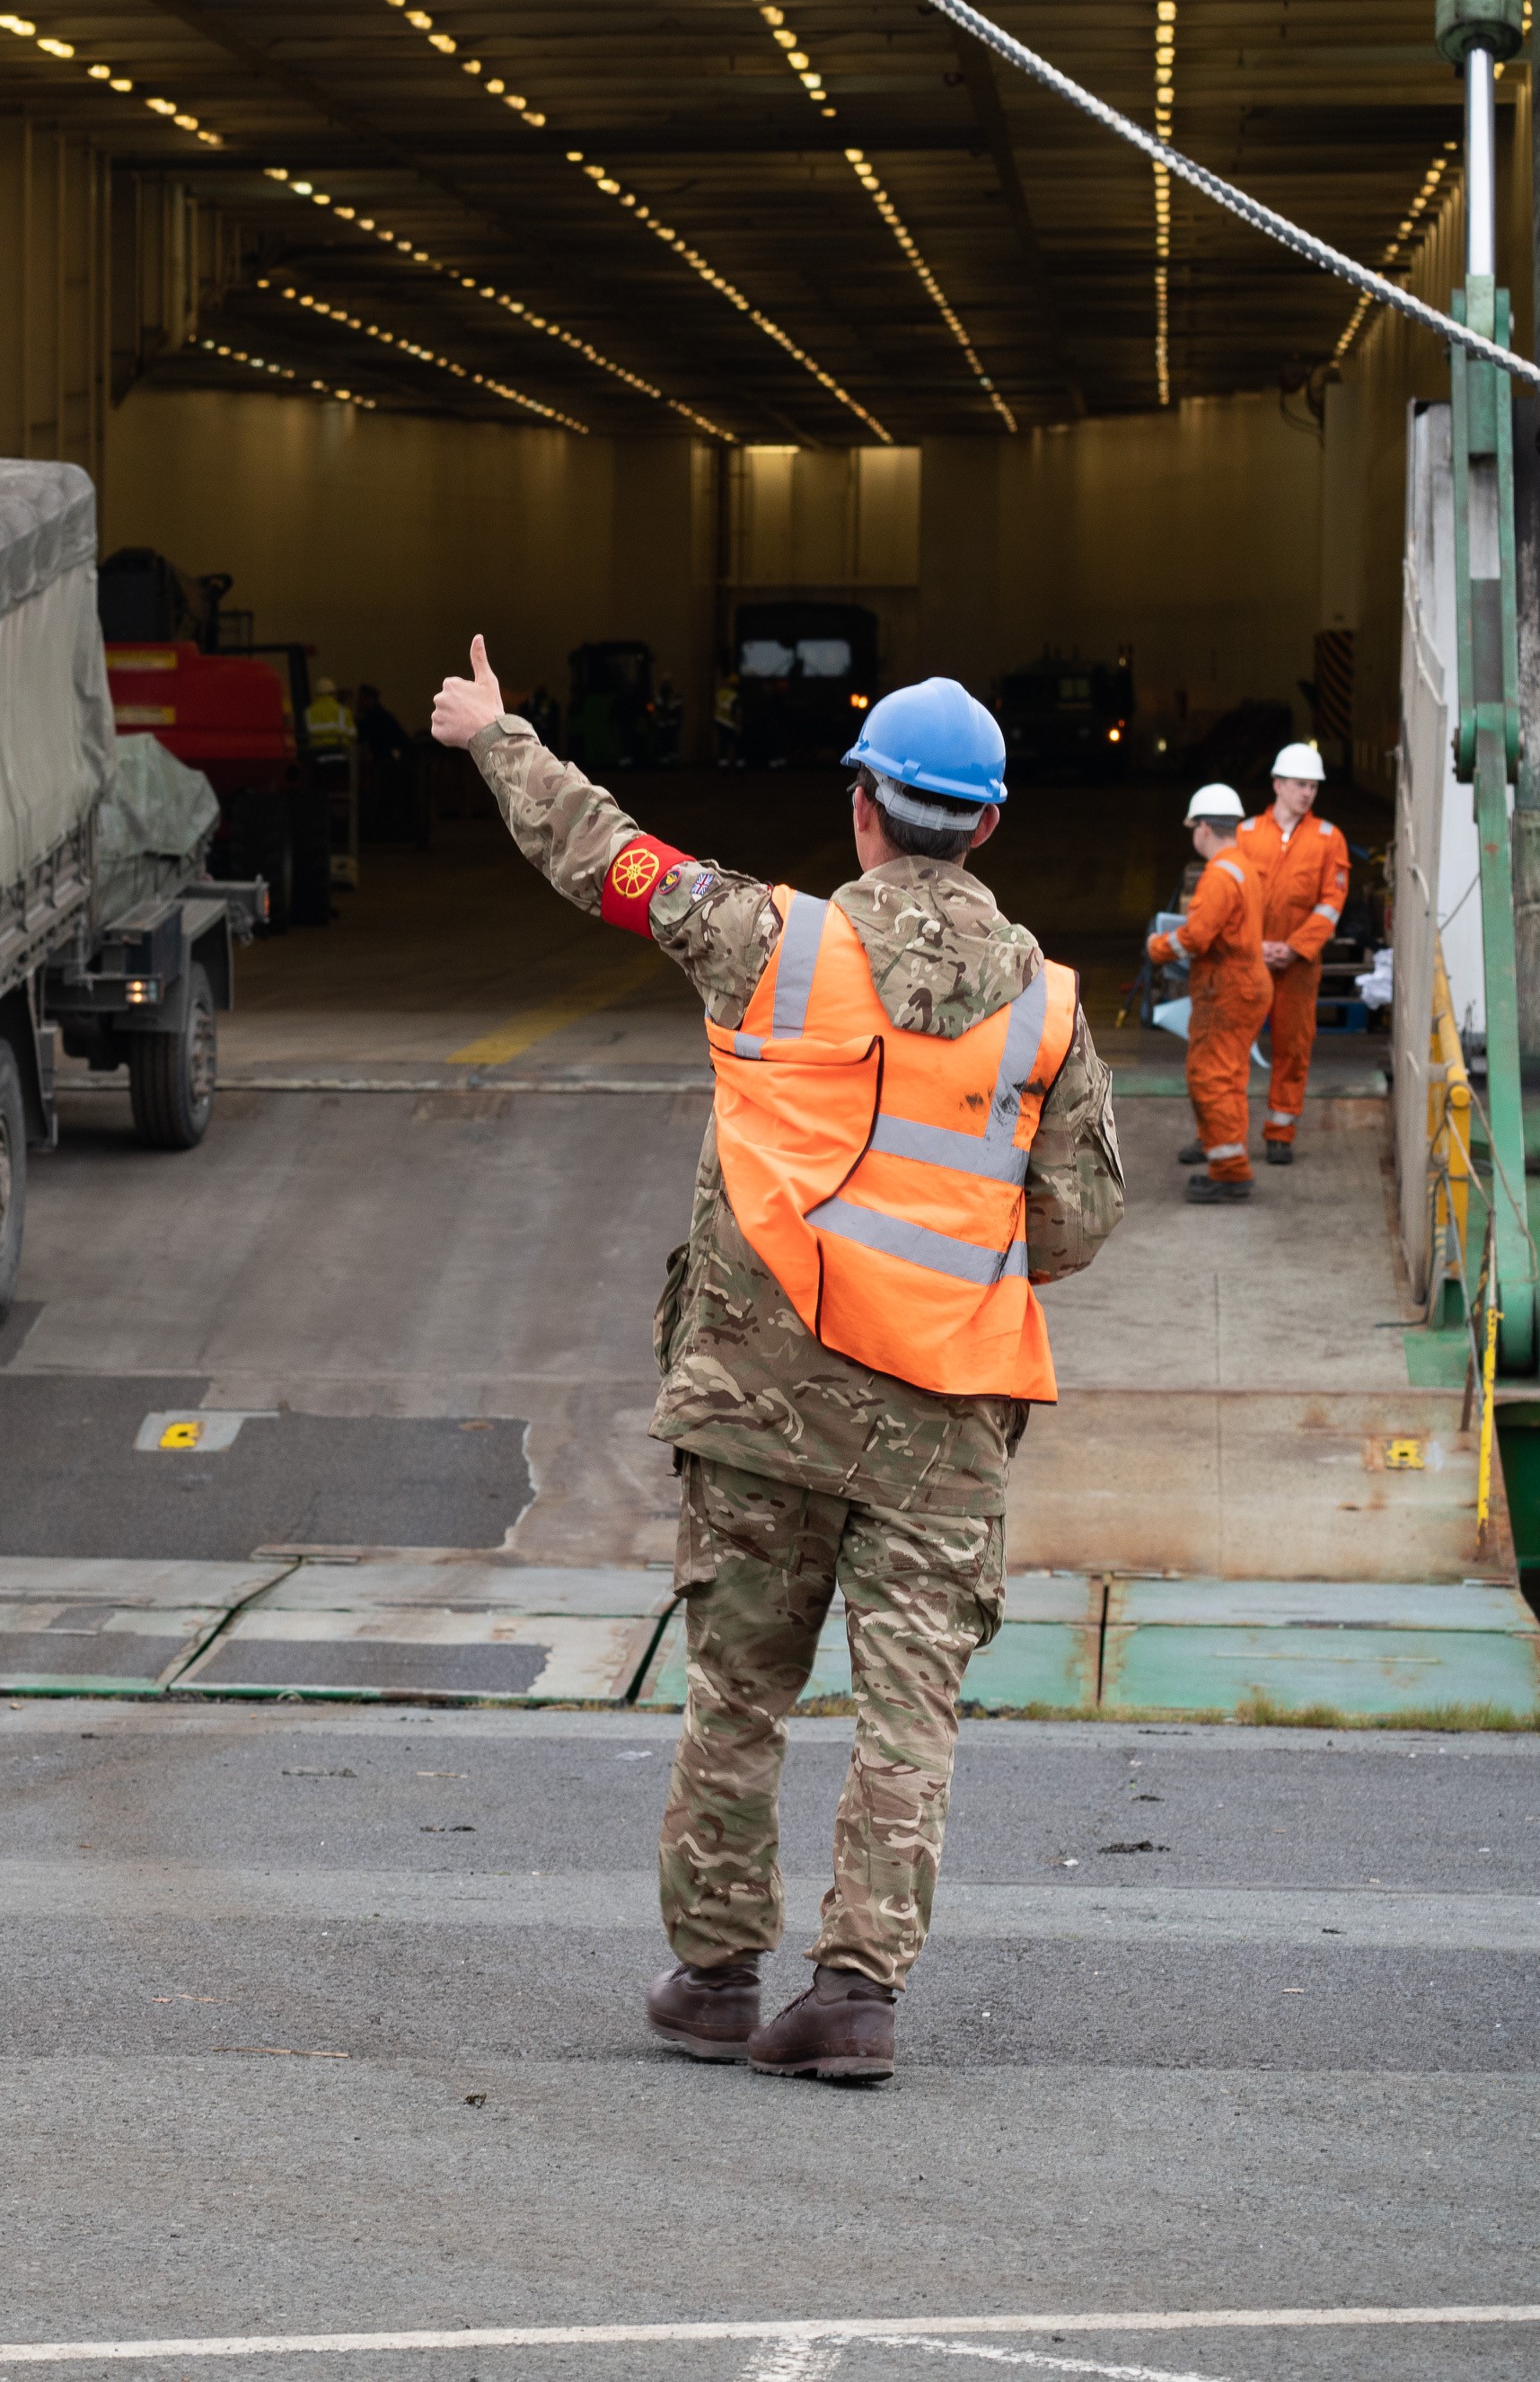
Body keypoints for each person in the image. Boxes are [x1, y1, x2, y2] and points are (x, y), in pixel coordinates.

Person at [428, 641, 1122, 2082]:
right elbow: (1075, 1221)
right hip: (946, 1422)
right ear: (988, 822)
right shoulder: (1051, 1009)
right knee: (907, 1712)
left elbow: (607, 858)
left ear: (863, 805)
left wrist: (497, 734)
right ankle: (857, 1996)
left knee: (739, 1692)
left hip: (762, 1403)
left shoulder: (773, 941)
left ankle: (717, 1976)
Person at [1152, 783, 1272, 1204]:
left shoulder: (1219, 875)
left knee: (1211, 1077)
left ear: (1203, 828)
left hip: (1226, 990)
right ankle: (1217, 1143)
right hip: (1245, 985)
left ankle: (1230, 1172)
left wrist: (1158, 947)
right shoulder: (1242, 865)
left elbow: (1196, 938)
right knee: (1230, 1074)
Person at [1231, 740, 1346, 1166]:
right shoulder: (1244, 835)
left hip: (1298, 967)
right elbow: (1233, 899)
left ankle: (1280, 1132)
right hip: (1248, 962)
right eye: (1300, 785)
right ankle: (1226, 1134)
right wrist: (1254, 945)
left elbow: (1330, 904)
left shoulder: (1328, 839)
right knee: (1231, 1049)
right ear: (1277, 784)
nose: (1308, 793)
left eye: (1313, 787)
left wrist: (1295, 948)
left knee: (1293, 1047)